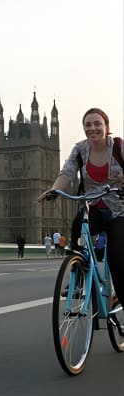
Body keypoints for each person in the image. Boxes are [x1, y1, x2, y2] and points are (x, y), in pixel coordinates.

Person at [38, 107, 124, 310]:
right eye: (88, 124)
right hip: (93, 205)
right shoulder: (80, 149)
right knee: (78, 227)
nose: (92, 128)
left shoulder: (119, 147)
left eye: (97, 124)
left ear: (106, 127)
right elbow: (67, 172)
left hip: (119, 209)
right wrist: (54, 190)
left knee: (118, 260)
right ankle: (78, 274)